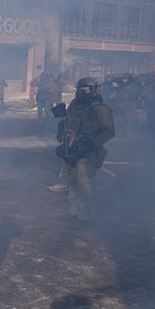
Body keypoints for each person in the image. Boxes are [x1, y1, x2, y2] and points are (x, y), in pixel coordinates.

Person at [55, 77, 115, 221]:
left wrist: (92, 144)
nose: (82, 92)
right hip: (71, 148)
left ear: (94, 90)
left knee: (83, 182)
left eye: (86, 89)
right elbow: (69, 121)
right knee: (72, 180)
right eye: (80, 89)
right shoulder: (75, 104)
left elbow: (108, 131)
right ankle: (73, 211)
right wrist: (61, 129)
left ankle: (84, 215)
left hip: (88, 151)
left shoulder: (100, 109)